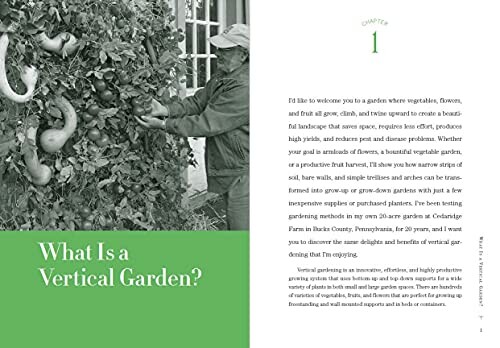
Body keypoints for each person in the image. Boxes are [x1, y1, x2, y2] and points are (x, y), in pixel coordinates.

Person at [135, 24, 250, 230]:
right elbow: (197, 102)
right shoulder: (224, 76)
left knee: (242, 233)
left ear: (243, 54)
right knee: (236, 224)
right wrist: (165, 109)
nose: (217, 54)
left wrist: (163, 124)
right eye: (218, 49)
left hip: (244, 171)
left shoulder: (245, 87)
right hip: (232, 164)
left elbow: (208, 123)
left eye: (226, 50)